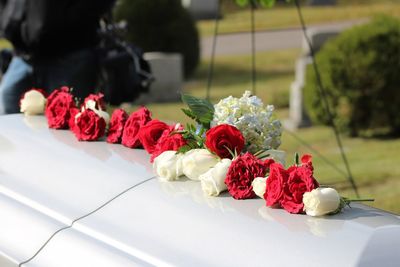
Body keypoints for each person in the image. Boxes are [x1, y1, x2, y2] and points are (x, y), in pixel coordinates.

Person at [0, 0, 116, 114]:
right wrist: (7, 18)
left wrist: (66, 21)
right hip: (23, 55)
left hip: (71, 55)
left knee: (65, 123)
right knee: (7, 120)